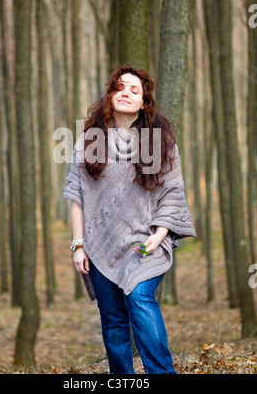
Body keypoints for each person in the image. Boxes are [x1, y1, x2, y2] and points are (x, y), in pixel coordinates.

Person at [63, 65, 197, 374]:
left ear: (144, 102)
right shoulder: (88, 141)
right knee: (112, 318)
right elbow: (76, 196)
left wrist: (160, 234)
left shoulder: (161, 143)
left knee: (139, 297)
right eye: (119, 88)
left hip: (145, 243)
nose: (125, 93)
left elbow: (173, 195)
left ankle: (161, 373)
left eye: (134, 90)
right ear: (110, 96)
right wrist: (78, 246)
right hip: (99, 245)